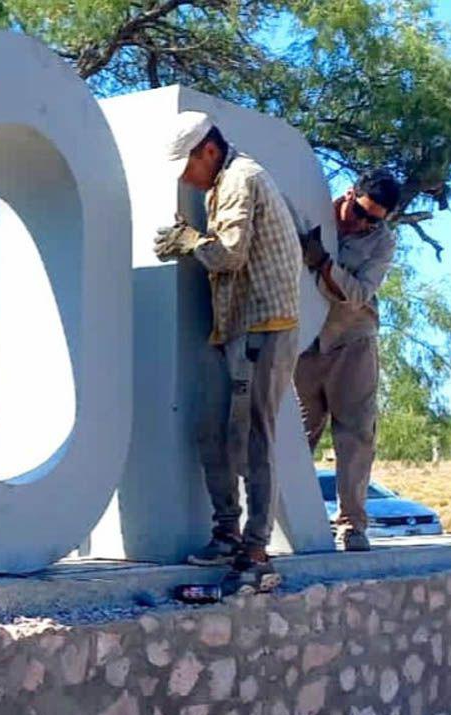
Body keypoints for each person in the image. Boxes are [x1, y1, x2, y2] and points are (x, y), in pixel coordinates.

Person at [153, 111, 301, 595]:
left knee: (255, 439)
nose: (186, 180)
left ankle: (255, 550)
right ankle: (227, 532)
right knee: (211, 433)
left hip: (264, 329)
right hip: (236, 329)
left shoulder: (241, 178)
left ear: (209, 152)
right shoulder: (224, 183)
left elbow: (231, 254)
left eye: (187, 167)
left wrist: (190, 240)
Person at [294, 169, 400, 551]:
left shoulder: (383, 243)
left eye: (374, 220)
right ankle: (286, 522)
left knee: (355, 436)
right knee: (295, 436)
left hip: (352, 342)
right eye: (361, 212)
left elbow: (356, 293)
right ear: (350, 194)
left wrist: (323, 263)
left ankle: (352, 525)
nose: (363, 224)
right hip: (304, 343)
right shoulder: (314, 210)